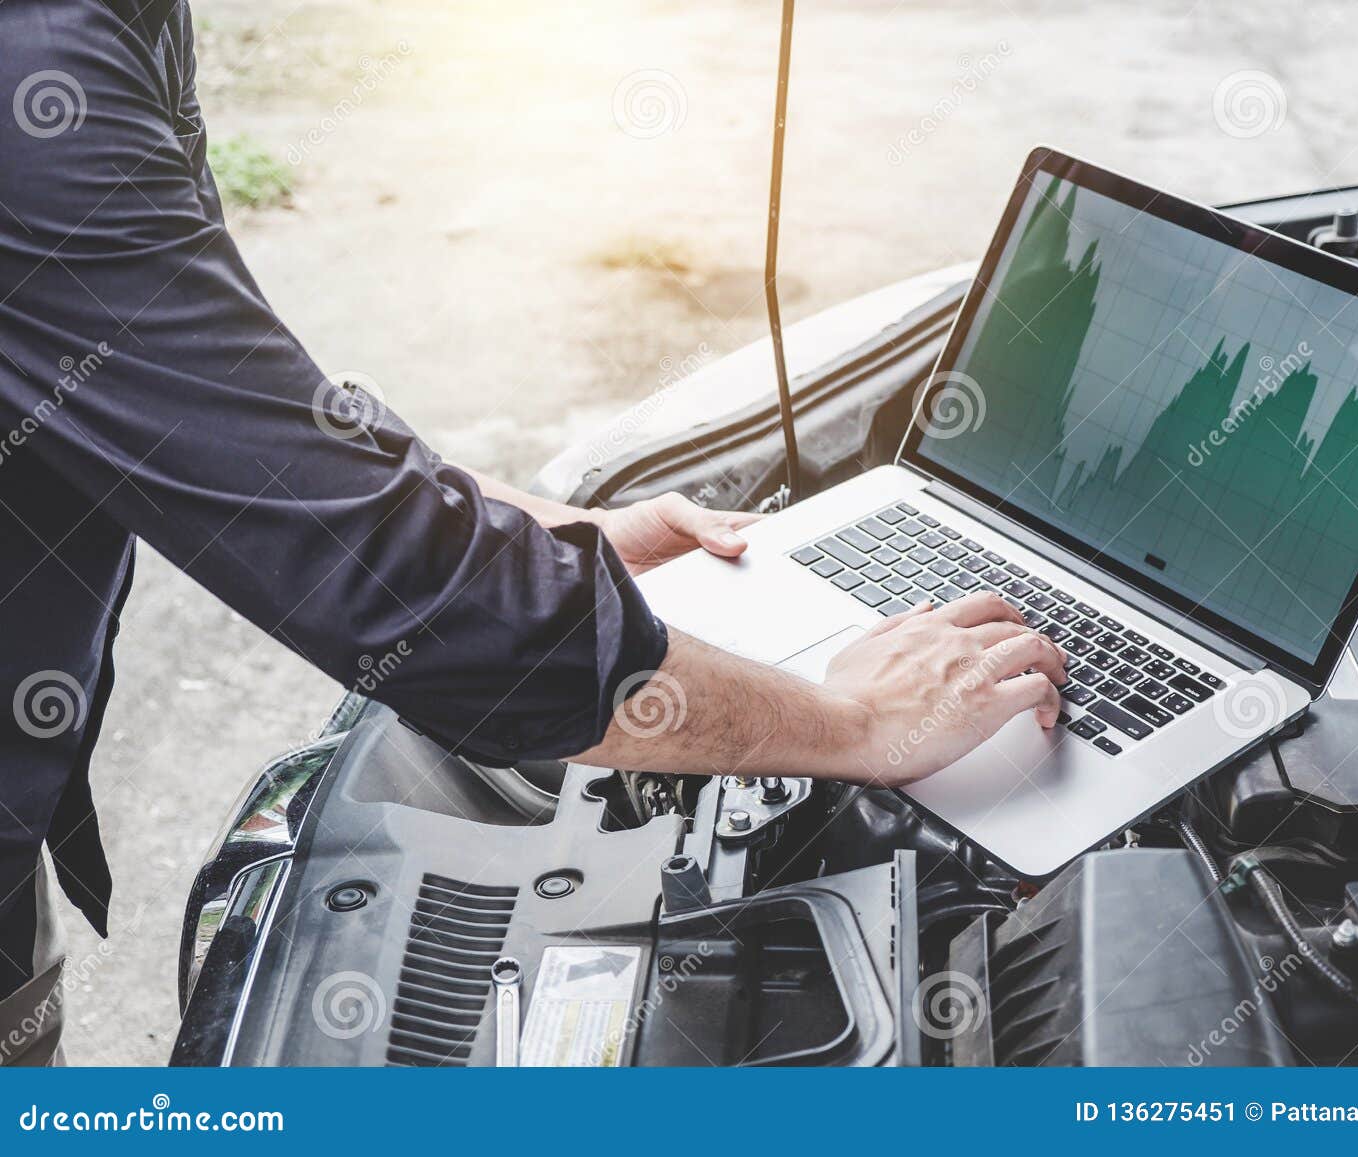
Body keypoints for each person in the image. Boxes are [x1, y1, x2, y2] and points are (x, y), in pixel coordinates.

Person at [0, 0, 1066, 1063]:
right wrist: (853, 722)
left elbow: (239, 406)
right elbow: (399, 588)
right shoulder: (36, 84)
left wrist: (566, 529)